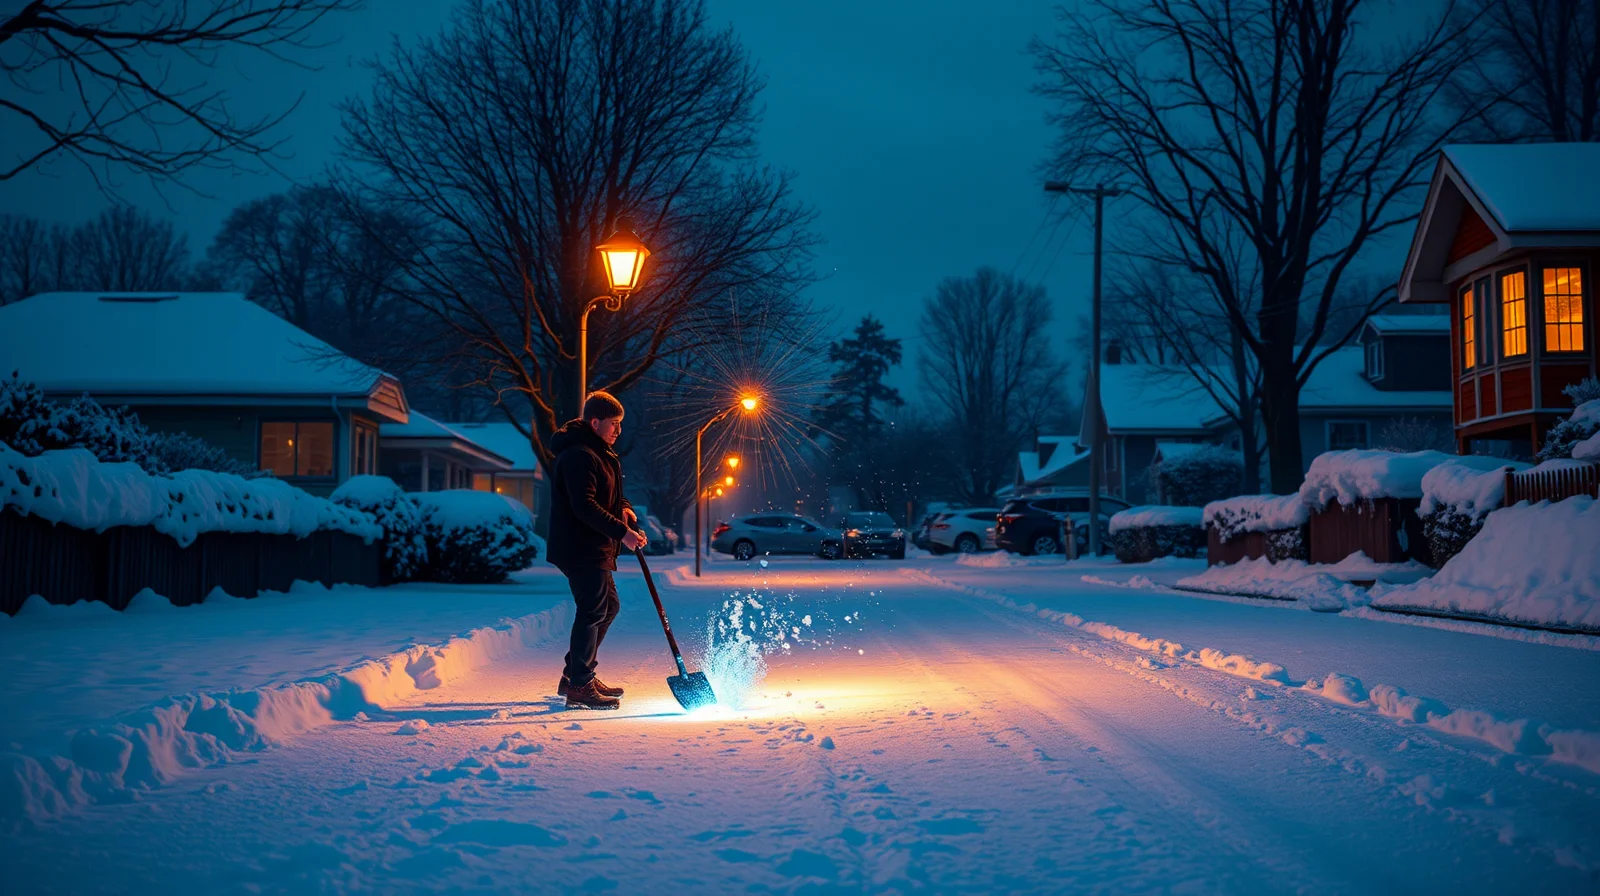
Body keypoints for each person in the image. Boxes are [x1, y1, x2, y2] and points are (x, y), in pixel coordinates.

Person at [546, 391, 648, 710]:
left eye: (620, 424)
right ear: (595, 422)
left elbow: (611, 495)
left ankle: (576, 675)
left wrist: (626, 511)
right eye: (614, 424)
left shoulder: (600, 452)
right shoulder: (579, 455)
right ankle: (580, 685)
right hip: (580, 546)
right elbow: (585, 506)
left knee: (608, 607)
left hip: (595, 546)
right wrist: (623, 534)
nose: (618, 430)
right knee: (592, 610)